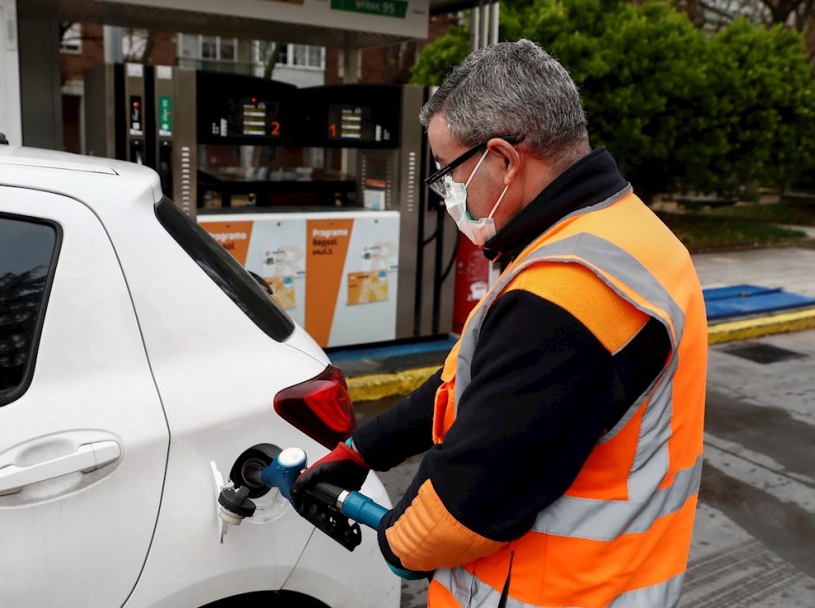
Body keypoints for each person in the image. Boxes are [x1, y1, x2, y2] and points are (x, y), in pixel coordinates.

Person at [291, 39, 708, 607]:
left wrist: (398, 544)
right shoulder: (627, 233)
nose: (448, 194)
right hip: (621, 573)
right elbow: (467, 382)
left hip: (552, 592)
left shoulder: (566, 294)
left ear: (505, 160)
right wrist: (364, 449)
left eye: (448, 172)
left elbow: (468, 501)